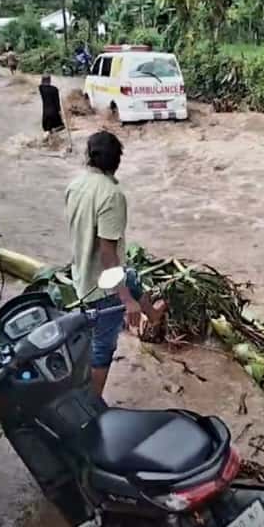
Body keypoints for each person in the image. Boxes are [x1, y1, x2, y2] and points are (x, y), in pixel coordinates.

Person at [65, 130, 167, 398]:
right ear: (117, 161)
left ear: (89, 156)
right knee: (102, 348)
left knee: (131, 276)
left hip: (81, 275)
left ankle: (152, 315)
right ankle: (91, 405)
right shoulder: (111, 195)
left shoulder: (76, 185)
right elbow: (107, 254)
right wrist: (127, 300)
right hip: (102, 288)